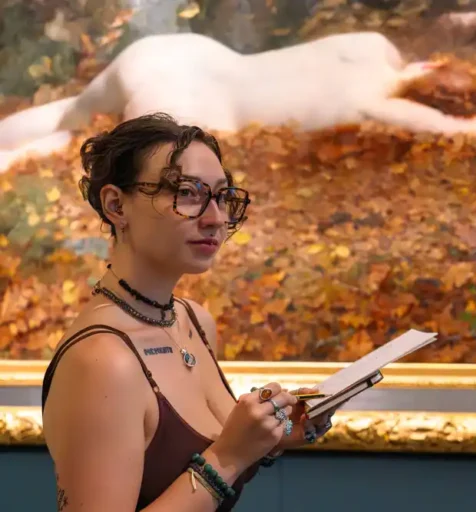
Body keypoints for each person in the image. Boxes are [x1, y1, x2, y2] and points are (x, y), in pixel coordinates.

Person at [41, 112, 337, 512]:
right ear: (116, 205)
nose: (216, 219)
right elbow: (222, 458)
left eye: (222, 197)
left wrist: (272, 434)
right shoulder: (103, 362)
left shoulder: (193, 320)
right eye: (187, 193)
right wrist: (228, 457)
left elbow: (204, 459)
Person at [0, 31, 476, 174]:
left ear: (428, 69)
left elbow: (419, 71)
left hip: (181, 55)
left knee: (72, 113)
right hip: (190, 103)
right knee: (72, 149)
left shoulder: (370, 48)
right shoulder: (374, 104)